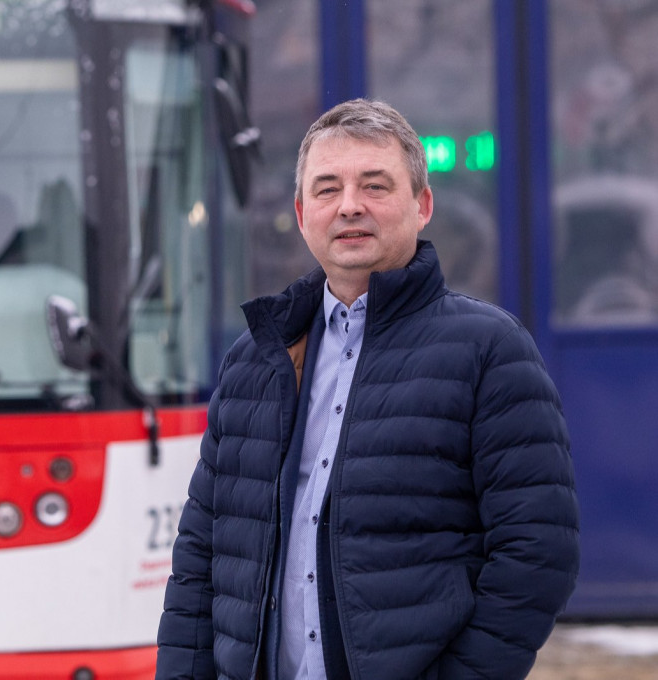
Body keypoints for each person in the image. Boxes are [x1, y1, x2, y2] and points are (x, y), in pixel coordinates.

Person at [155, 99, 579, 680]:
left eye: (374, 185)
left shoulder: (489, 351)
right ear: (302, 213)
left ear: (422, 205)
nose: (349, 205)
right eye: (327, 189)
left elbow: (538, 552)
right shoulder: (256, 358)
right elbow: (201, 553)